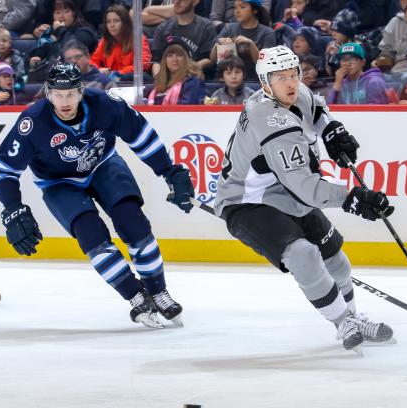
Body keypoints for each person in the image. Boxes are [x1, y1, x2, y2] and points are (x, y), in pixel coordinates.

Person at [214, 45, 394, 351]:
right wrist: (353, 198)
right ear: (265, 82)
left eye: (293, 74)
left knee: (336, 260)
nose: (291, 83)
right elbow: (307, 187)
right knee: (303, 254)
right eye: (280, 77)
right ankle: (343, 322)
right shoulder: (269, 120)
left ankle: (351, 316)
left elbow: (318, 108)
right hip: (247, 204)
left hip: (285, 193)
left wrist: (331, 130)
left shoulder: (293, 92)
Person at [0, 62, 194, 328]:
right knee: (92, 235)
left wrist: (169, 170)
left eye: (71, 93)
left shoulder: (105, 104)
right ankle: (136, 296)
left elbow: (140, 135)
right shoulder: (33, 122)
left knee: (133, 223)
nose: (65, 101)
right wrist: (13, 208)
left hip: (104, 165)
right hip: (58, 183)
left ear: (82, 91)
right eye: (59, 95)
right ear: (48, 93)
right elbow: (2, 169)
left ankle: (158, 291)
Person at [210, 0, 276, 80]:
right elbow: (212, 59)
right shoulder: (228, 28)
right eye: (235, 7)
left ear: (255, 10)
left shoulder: (267, 32)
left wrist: (251, 45)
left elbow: (266, 64)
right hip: (228, 80)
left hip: (255, 81)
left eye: (242, 7)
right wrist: (218, 44)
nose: (237, 11)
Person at [151, 0, 217, 76]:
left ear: (195, 1)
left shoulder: (206, 27)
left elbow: (209, 60)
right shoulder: (162, 28)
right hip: (168, 79)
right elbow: (156, 62)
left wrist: (187, 71)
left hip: (195, 78)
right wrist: (160, 81)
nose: (177, 1)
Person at [90, 5, 152, 79]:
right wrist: (99, 69)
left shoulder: (138, 39)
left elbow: (143, 64)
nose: (112, 25)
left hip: (130, 80)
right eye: (108, 22)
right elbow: (92, 62)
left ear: (125, 23)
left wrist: (119, 73)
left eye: (116, 21)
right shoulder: (105, 41)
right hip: (111, 81)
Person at [147, 36, 206, 105]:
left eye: (179, 55)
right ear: (164, 60)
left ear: (186, 59)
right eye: (170, 55)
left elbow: (188, 110)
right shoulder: (159, 84)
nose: (174, 59)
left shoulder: (192, 83)